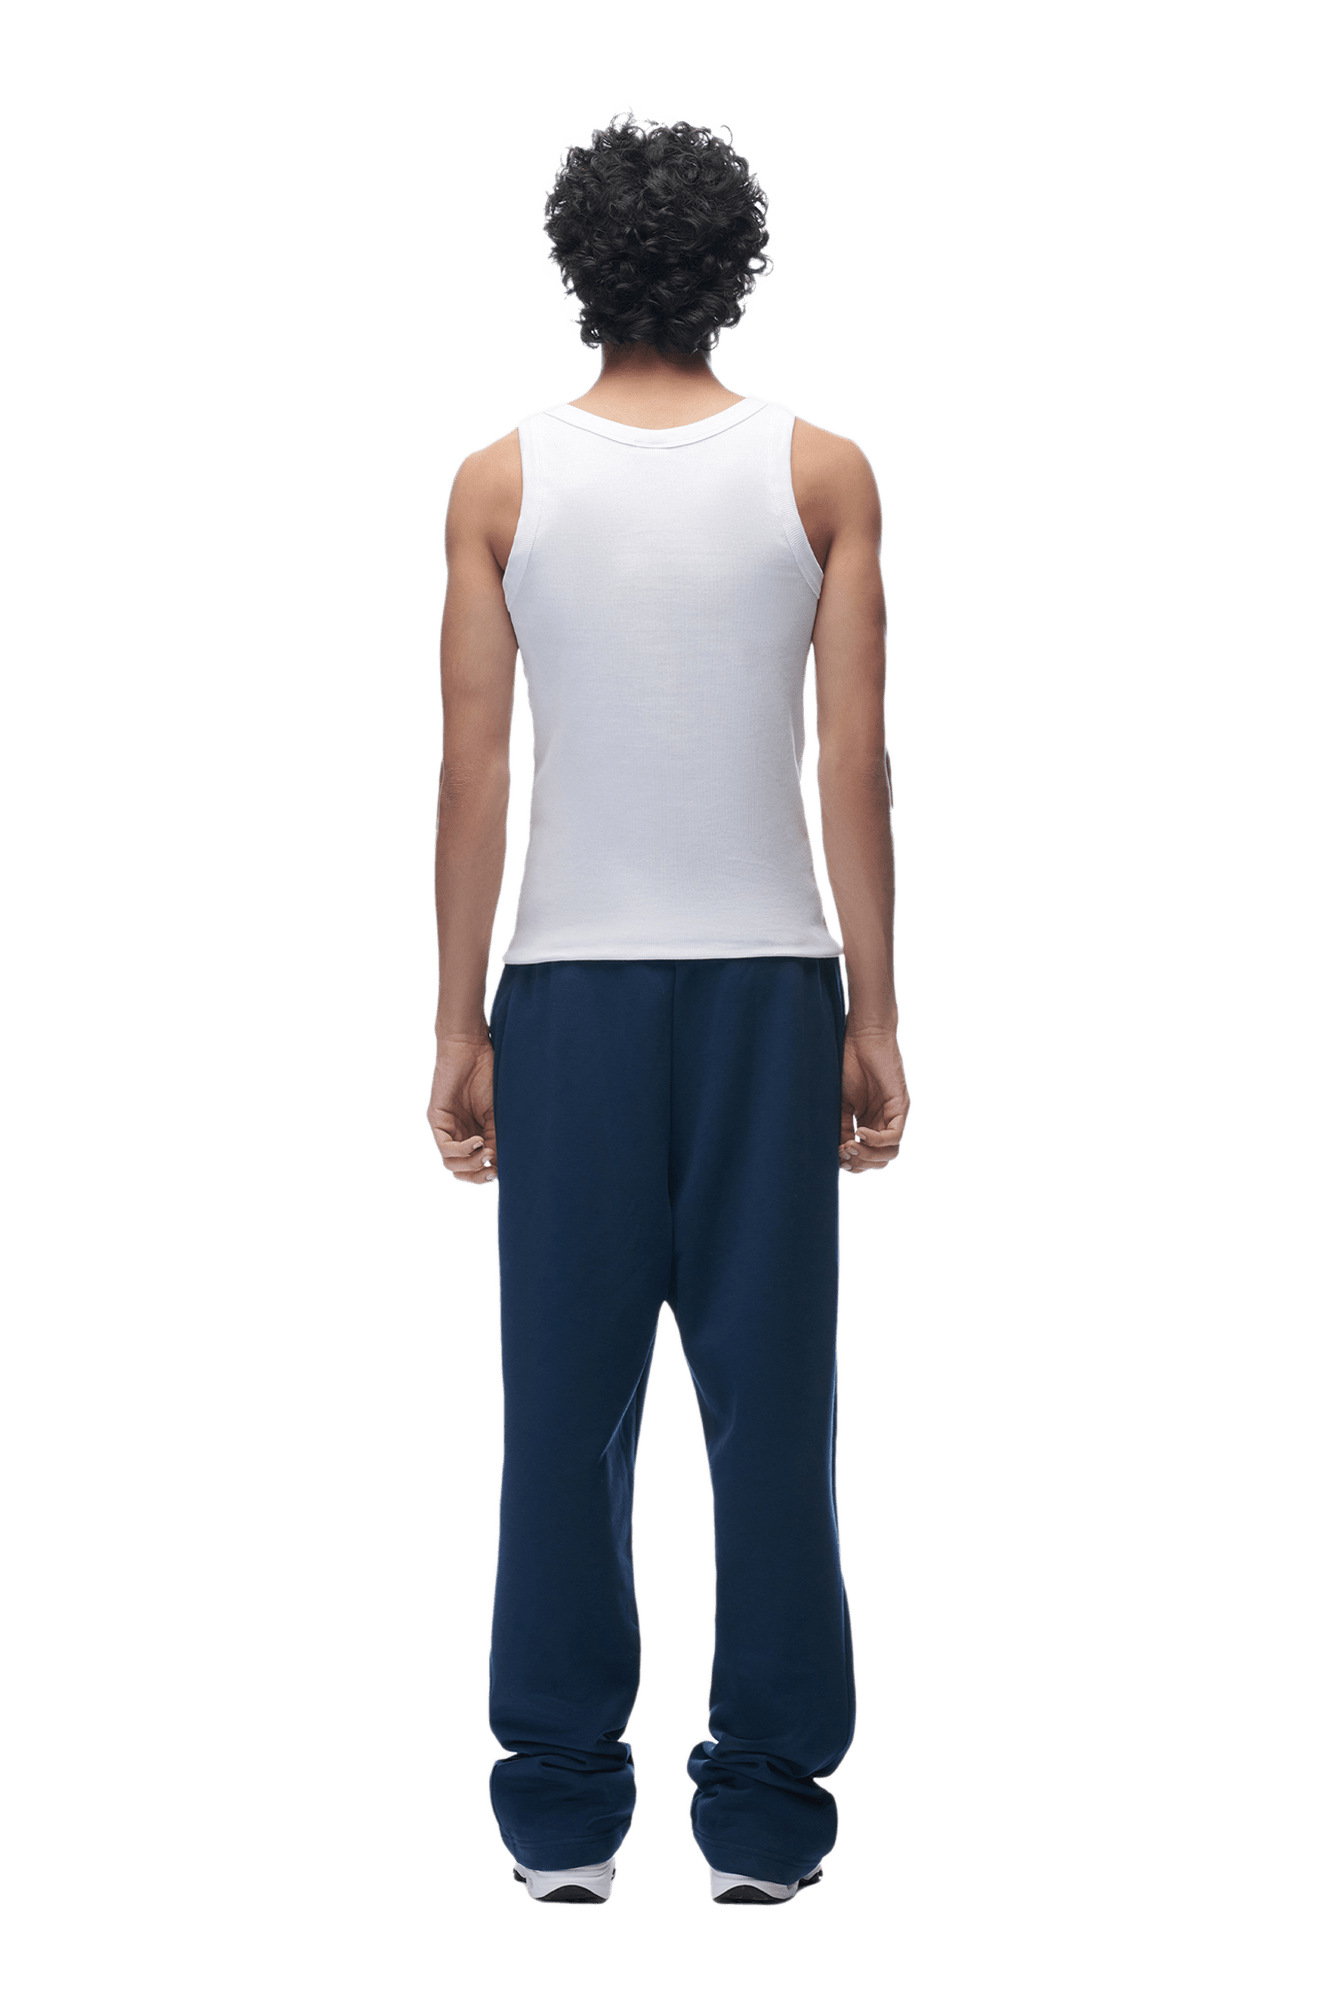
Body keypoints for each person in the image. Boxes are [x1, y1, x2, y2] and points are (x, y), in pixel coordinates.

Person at [423, 102, 912, 1910]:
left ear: (576, 268)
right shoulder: (823, 471)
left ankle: (560, 1815)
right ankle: (766, 1822)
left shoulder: (498, 481)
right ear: (736, 269)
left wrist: (458, 1024)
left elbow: (475, 775)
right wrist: (875, 1011)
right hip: (771, 990)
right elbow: (851, 762)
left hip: (567, 998)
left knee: (561, 1412)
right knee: (775, 1412)